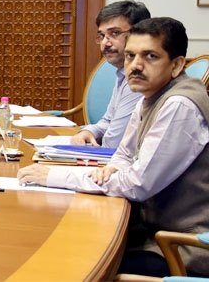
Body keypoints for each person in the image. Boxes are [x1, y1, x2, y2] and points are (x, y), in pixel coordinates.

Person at [18, 17, 209, 277]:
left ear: (176, 65)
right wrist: (112, 169)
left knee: (76, 264)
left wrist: (53, 176)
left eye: (150, 56)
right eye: (130, 56)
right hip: (153, 232)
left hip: (182, 247)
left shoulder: (179, 105)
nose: (135, 65)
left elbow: (137, 185)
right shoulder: (150, 95)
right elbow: (125, 154)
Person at [70, 0, 150, 148]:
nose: (105, 43)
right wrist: (88, 132)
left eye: (115, 33)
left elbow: (115, 142)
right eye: (102, 36)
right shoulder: (122, 73)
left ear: (139, 34)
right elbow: (107, 121)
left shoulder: (142, 77)